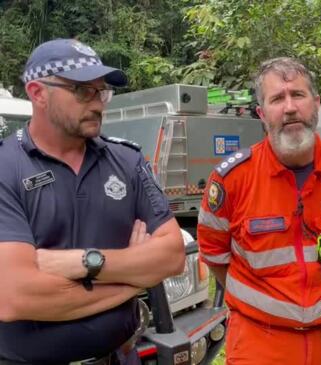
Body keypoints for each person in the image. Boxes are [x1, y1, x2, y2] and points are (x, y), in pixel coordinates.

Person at [0, 39, 185, 364]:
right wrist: (133, 280)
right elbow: (15, 297)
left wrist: (85, 261)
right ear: (37, 92)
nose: (98, 104)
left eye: (102, 92)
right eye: (83, 91)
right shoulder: (6, 168)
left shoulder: (126, 160)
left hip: (121, 356)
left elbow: (171, 256)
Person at [197, 57, 321, 365]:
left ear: (316, 104)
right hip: (260, 342)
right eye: (277, 98)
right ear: (263, 114)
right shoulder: (232, 180)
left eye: (298, 95)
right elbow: (213, 254)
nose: (290, 107)